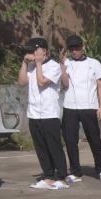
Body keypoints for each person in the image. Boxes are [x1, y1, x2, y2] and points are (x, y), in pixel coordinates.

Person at [18, 37, 70, 190]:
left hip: (49, 113)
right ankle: (48, 176)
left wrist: (39, 64)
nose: (31, 53)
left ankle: (62, 178)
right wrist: (25, 63)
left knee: (54, 147)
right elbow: (22, 82)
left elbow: (41, 82)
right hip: (34, 113)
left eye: (34, 50)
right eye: (29, 51)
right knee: (41, 147)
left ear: (44, 51)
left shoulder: (54, 67)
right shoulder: (31, 67)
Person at [59, 34, 101, 181]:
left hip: (89, 106)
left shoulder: (94, 63)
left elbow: (100, 86)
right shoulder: (66, 63)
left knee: (94, 139)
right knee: (70, 140)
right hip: (70, 106)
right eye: (71, 49)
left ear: (83, 47)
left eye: (77, 48)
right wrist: (62, 64)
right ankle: (75, 171)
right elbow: (65, 84)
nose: (74, 51)